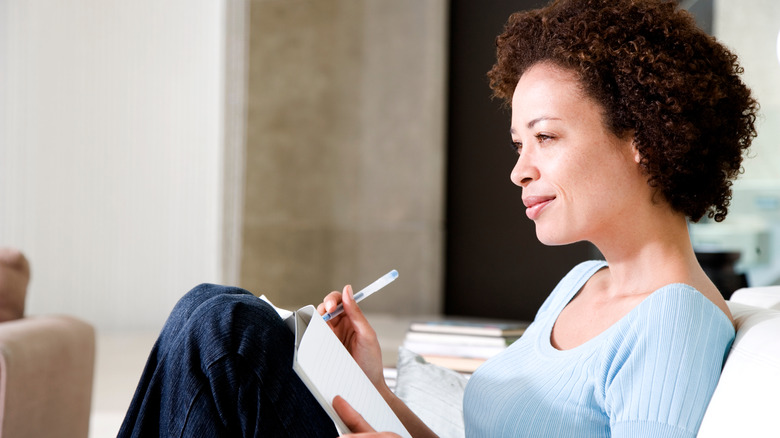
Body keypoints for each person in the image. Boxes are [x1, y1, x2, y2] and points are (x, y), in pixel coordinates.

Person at [118, 0, 758, 436]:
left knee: (228, 330)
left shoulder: (674, 321)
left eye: (547, 138)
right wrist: (373, 389)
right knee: (214, 309)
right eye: (518, 145)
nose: (520, 169)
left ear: (639, 138)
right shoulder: (582, 283)